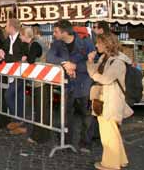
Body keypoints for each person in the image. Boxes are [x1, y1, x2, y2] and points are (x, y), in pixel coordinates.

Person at [47, 19, 96, 152]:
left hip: (84, 83)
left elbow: (94, 62)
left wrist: (75, 66)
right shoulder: (57, 44)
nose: (53, 34)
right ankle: (67, 140)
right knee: (66, 113)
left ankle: (86, 142)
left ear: (64, 32)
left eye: (56, 31)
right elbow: (50, 57)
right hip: (68, 84)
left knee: (86, 115)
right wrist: (65, 63)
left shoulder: (86, 42)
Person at [87, 33, 133, 170]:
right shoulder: (104, 57)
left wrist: (94, 74)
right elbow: (94, 73)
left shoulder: (118, 62)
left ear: (107, 44)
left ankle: (110, 164)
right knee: (112, 132)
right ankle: (121, 160)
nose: (96, 45)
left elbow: (105, 79)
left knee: (109, 134)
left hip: (112, 100)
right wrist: (90, 62)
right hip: (102, 99)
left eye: (99, 43)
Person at [0, 18, 28, 132]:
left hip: (20, 73)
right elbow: (8, 56)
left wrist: (6, 57)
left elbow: (21, 57)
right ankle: (20, 123)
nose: (5, 28)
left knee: (9, 95)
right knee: (18, 97)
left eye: (6, 25)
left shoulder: (21, 39)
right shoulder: (7, 40)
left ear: (11, 27)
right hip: (10, 73)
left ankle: (18, 119)